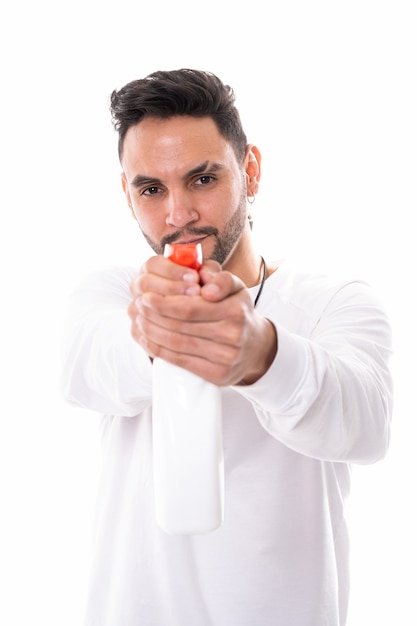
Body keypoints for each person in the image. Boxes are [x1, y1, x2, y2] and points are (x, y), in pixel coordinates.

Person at [61, 69, 393, 626]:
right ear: (127, 194)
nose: (178, 215)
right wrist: (153, 330)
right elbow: (84, 371)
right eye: (151, 189)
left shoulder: (336, 300)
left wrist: (260, 354)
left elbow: (366, 425)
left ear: (251, 171)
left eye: (203, 179)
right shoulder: (112, 293)